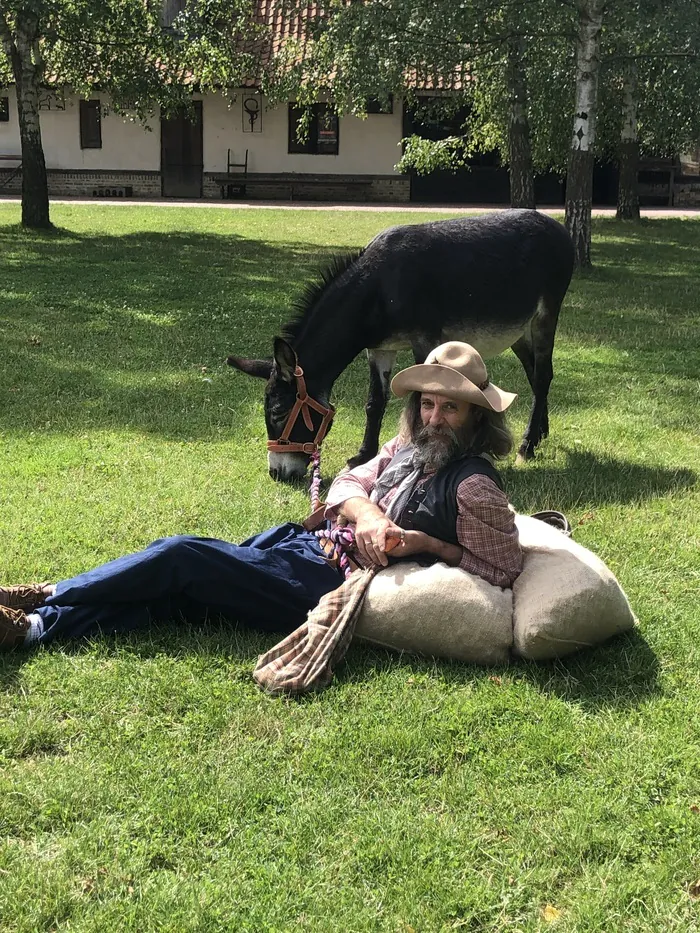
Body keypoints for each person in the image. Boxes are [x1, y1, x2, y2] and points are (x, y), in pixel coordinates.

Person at [0, 342, 523, 652]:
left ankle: (47, 594)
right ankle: (34, 629)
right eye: (427, 404)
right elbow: (347, 483)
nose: (433, 418)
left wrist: (428, 544)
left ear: (478, 416)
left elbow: (501, 569)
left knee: (181, 554)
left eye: (449, 409)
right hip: (307, 544)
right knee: (180, 593)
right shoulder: (407, 444)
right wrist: (363, 511)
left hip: (325, 581)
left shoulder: (472, 486)